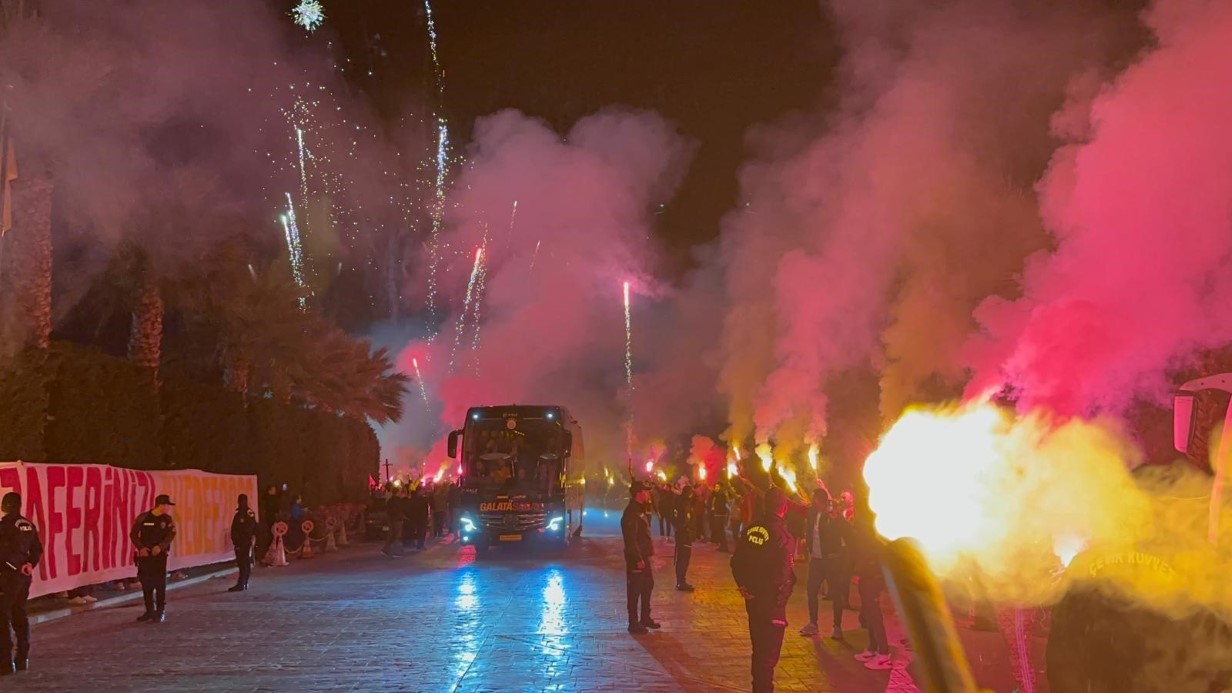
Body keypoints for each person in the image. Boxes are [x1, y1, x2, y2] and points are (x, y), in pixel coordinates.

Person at [731, 486, 797, 693]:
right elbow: (782, 575)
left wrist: (744, 585)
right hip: (771, 604)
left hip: (753, 600)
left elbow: (736, 561)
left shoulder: (751, 528)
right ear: (784, 508)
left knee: (758, 650)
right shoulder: (783, 536)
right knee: (768, 656)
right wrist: (778, 597)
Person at [799, 489, 851, 639]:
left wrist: (837, 519)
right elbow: (809, 530)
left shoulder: (832, 514)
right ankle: (813, 624)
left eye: (817, 500)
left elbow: (845, 531)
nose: (815, 503)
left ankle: (837, 627)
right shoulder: (812, 513)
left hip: (831, 560)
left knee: (836, 593)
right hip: (816, 560)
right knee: (811, 590)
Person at [0, 493, 42, 676]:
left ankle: (5, 663)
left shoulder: (5, 526)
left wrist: (14, 566)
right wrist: (29, 565)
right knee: (20, 615)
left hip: (6, 576)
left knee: (2, 618)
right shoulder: (28, 525)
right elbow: (37, 549)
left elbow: (2, 552)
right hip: (22, 577)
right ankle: (22, 657)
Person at [851, 512, 892, 669]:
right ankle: (873, 648)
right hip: (868, 576)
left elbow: (870, 556)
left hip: (873, 577)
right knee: (868, 612)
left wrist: (860, 571)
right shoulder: (869, 533)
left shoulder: (877, 537)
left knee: (874, 614)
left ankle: (884, 654)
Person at [130, 494, 177, 623]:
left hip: (160, 556)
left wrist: (161, 547)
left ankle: (160, 611)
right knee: (146, 583)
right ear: (160, 505)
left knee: (160, 583)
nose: (168, 508)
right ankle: (149, 610)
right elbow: (133, 534)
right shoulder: (143, 517)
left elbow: (171, 534)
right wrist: (141, 548)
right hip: (145, 556)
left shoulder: (167, 519)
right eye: (167, 505)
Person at [622, 481, 659, 634]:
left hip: (644, 556)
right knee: (634, 590)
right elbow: (630, 539)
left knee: (647, 585)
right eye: (645, 491)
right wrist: (638, 559)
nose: (648, 494)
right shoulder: (631, 513)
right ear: (638, 493)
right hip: (636, 558)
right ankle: (633, 622)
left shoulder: (641, 509)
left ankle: (645, 617)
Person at [229, 494, 258, 592]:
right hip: (245, 541)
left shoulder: (242, 514)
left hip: (242, 542)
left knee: (242, 563)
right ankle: (244, 582)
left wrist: (237, 539)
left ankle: (242, 583)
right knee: (245, 562)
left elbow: (239, 528)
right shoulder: (249, 513)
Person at [674, 485, 696, 591]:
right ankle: (680, 582)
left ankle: (680, 581)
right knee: (683, 559)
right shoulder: (684, 503)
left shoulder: (682, 501)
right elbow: (685, 519)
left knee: (683, 559)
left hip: (683, 534)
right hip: (684, 535)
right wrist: (686, 529)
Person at [710, 484, 731, 552]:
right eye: (715, 486)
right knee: (719, 530)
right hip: (717, 514)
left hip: (720, 515)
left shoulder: (722, 495)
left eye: (718, 487)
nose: (716, 488)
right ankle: (722, 546)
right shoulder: (717, 495)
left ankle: (724, 547)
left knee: (720, 530)